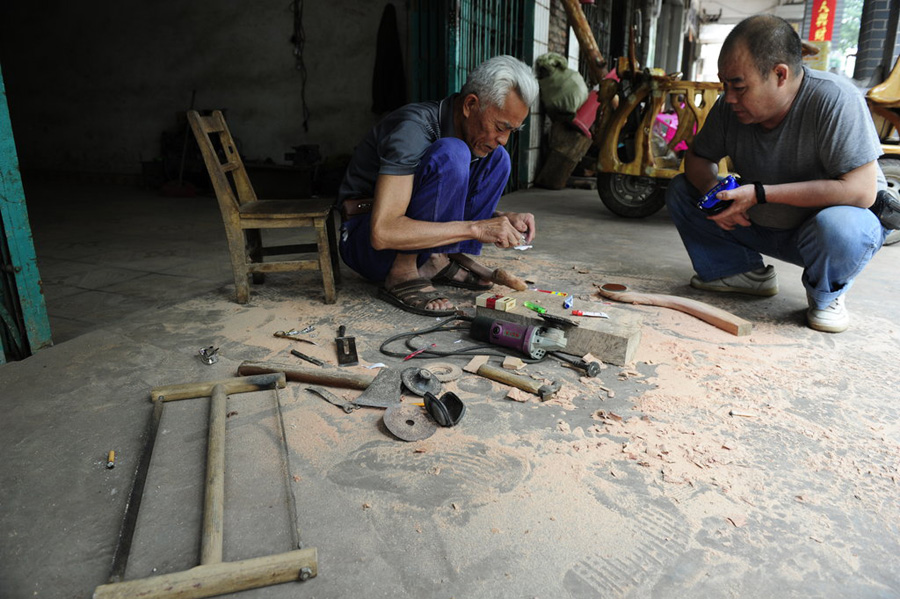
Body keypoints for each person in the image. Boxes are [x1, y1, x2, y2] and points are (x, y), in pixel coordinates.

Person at [665, 14, 892, 333]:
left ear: (780, 74)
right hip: (758, 223)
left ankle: (826, 293)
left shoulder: (834, 100)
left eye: (739, 86)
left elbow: (862, 191)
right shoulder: (730, 108)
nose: (729, 97)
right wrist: (713, 192)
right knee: (681, 190)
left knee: (841, 227)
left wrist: (760, 193)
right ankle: (739, 272)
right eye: (724, 85)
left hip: (819, 235)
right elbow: (699, 158)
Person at [337, 55, 540, 316]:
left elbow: (433, 200)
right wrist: (476, 227)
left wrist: (501, 218)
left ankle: (439, 258)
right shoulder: (413, 129)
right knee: (452, 154)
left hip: (413, 236)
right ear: (470, 104)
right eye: (501, 127)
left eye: (513, 130)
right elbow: (383, 232)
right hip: (365, 243)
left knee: (498, 159)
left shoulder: (479, 139)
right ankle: (403, 271)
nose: (503, 139)